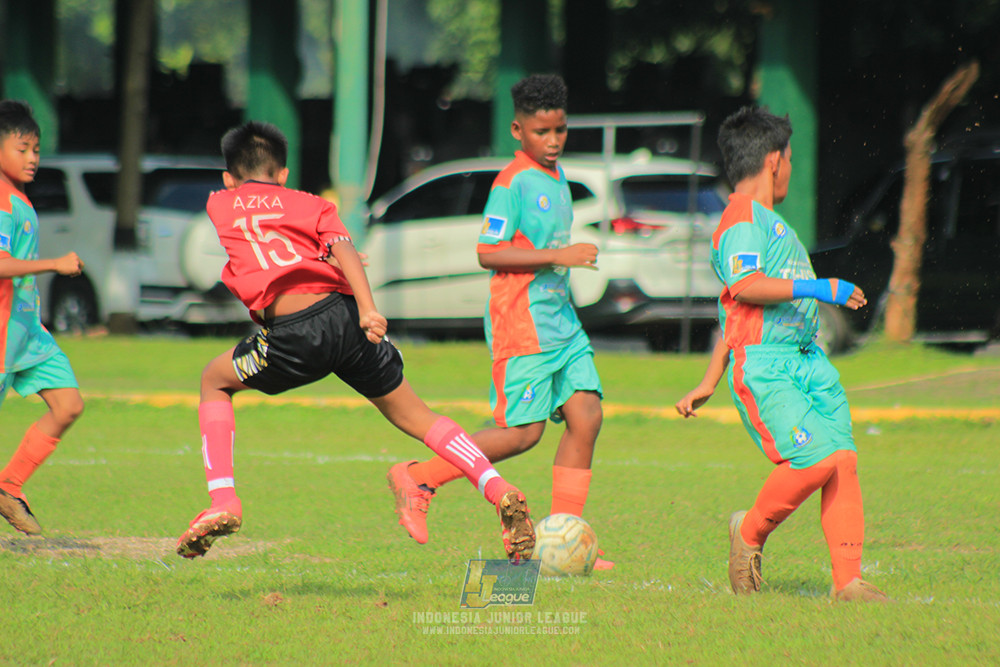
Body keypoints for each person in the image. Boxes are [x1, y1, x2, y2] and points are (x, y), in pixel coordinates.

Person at [175, 121, 535, 562]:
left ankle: (223, 500)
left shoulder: (220, 203)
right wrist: (367, 308)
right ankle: (496, 486)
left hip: (294, 333)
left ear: (229, 177)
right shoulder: (311, 204)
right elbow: (342, 248)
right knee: (419, 416)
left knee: (214, 380)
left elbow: (264, 234)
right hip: (346, 319)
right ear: (284, 173)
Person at [386, 74, 612, 570]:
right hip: (522, 323)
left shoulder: (556, 177)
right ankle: (420, 476)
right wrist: (563, 254)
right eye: (541, 132)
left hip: (561, 324)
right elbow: (488, 252)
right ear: (517, 130)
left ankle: (564, 540)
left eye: (560, 130)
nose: (552, 141)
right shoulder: (510, 183)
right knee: (520, 435)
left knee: (587, 416)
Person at [675, 106, 887, 602]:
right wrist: (822, 286)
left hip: (807, 362)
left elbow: (729, 310)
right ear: (775, 160)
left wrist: (707, 380)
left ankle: (847, 582)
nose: (790, 167)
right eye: (790, 158)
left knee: (843, 461)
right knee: (816, 458)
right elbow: (746, 287)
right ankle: (748, 533)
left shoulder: (771, 224)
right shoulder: (742, 220)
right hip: (769, 368)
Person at [0, 100, 85, 535]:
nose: (33, 157)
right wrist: (54, 264)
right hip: (1, 331)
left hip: (28, 331)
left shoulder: (18, 198)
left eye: (36, 148)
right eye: (22, 148)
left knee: (68, 404)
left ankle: (9, 487)